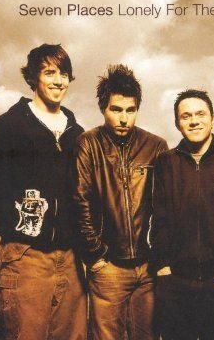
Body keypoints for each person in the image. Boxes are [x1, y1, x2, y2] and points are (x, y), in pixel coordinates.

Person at [0, 44, 87, 340]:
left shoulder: (78, 134)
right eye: (49, 72)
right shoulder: (9, 125)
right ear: (33, 77)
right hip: (25, 255)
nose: (58, 81)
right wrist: (25, 231)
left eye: (63, 74)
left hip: (71, 258)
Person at [72, 64, 168, 340]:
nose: (124, 118)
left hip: (148, 268)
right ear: (103, 108)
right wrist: (96, 257)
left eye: (130, 110)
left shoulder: (156, 146)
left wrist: (159, 257)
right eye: (116, 110)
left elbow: (166, 207)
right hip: (108, 267)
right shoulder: (87, 144)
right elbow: (79, 202)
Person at [150, 89, 214, 340]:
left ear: (212, 118)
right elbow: (158, 218)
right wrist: (162, 267)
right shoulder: (165, 162)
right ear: (177, 123)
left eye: (200, 114)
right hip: (175, 286)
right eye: (186, 116)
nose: (194, 121)